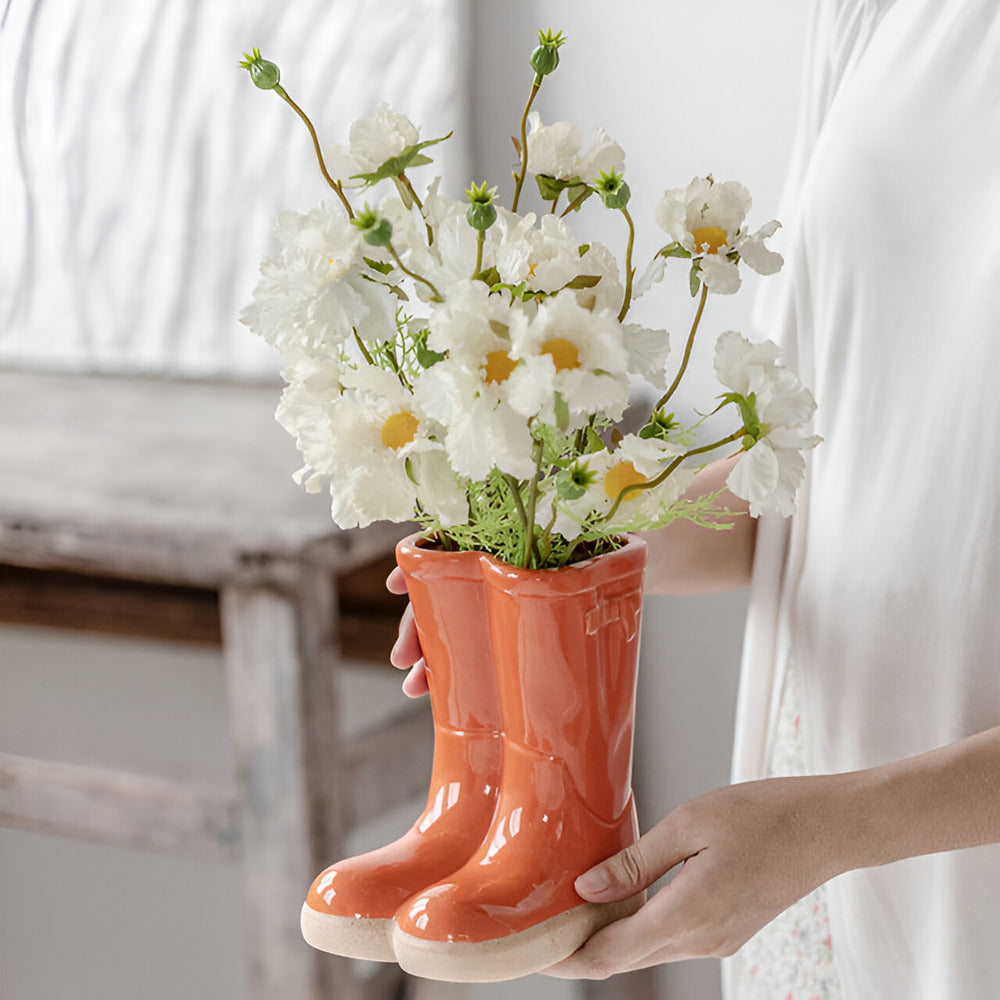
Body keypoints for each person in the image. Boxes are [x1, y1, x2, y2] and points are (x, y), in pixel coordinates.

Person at [390, 0, 1000, 995]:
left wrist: (833, 825)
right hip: (825, 898)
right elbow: (801, 489)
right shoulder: (878, 15)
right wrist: (579, 549)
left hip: (918, 876)